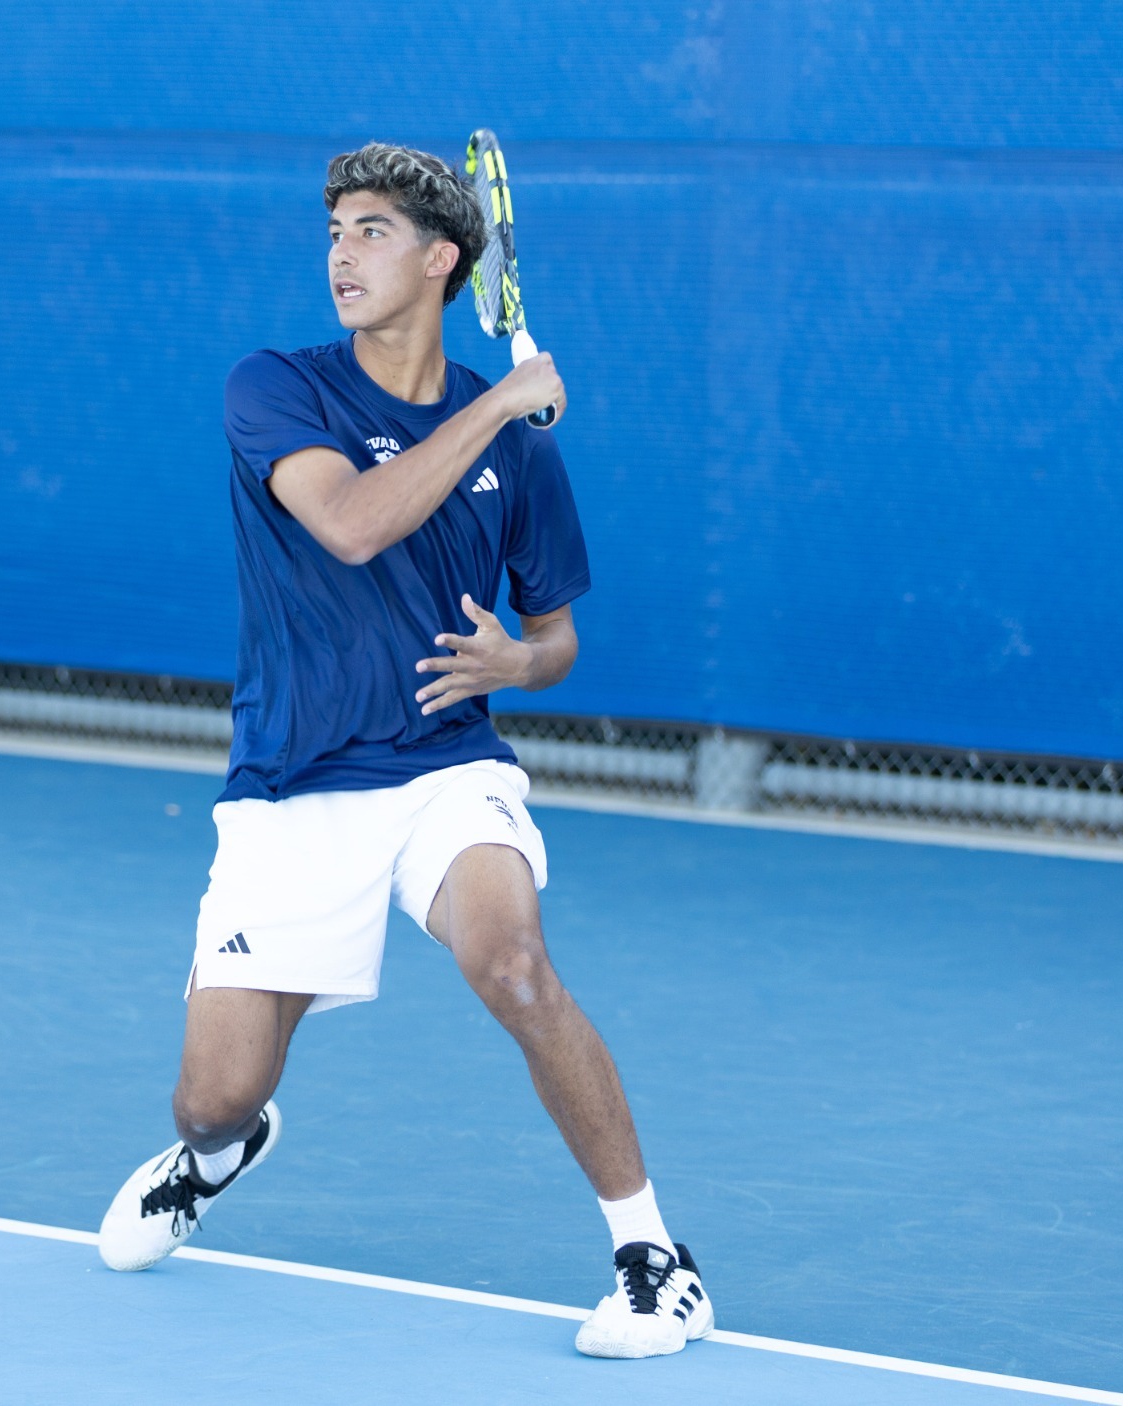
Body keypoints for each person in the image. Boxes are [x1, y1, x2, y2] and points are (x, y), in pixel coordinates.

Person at [94, 143, 714, 1360]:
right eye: (334, 230)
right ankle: (215, 1155)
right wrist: (496, 403)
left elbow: (557, 638)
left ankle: (655, 1260)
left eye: (371, 230)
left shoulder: (520, 450)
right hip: (291, 781)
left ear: (442, 261)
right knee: (215, 1092)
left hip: (444, 767)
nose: (340, 252)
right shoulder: (277, 386)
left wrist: (516, 664)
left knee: (514, 963)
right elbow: (349, 523)